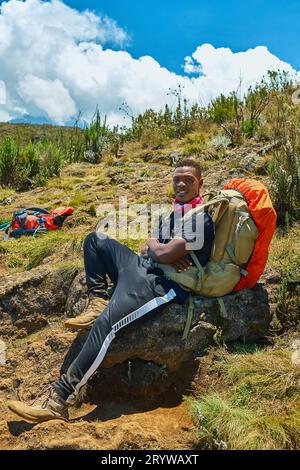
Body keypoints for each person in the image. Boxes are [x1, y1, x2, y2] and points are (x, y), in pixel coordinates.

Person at [7, 159, 215, 423]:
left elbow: (161, 251)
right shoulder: (172, 214)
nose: (181, 183)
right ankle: (97, 300)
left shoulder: (201, 219)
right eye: (177, 178)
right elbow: (147, 250)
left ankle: (59, 399)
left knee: (106, 326)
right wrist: (158, 249)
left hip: (162, 285)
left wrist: (159, 250)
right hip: (142, 267)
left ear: (200, 184)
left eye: (188, 179)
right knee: (95, 240)